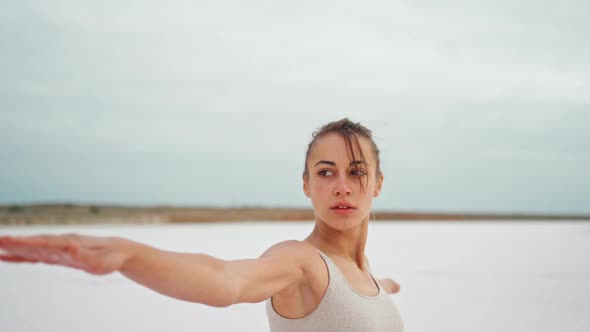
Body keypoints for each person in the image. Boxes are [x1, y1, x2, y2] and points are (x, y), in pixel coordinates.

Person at [0, 118, 403, 331]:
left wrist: (381, 287)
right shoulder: (301, 263)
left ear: (378, 184)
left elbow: (349, 309)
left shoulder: (363, 273)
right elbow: (225, 279)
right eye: (327, 173)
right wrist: (128, 255)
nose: (343, 188)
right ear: (306, 185)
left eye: (357, 171)